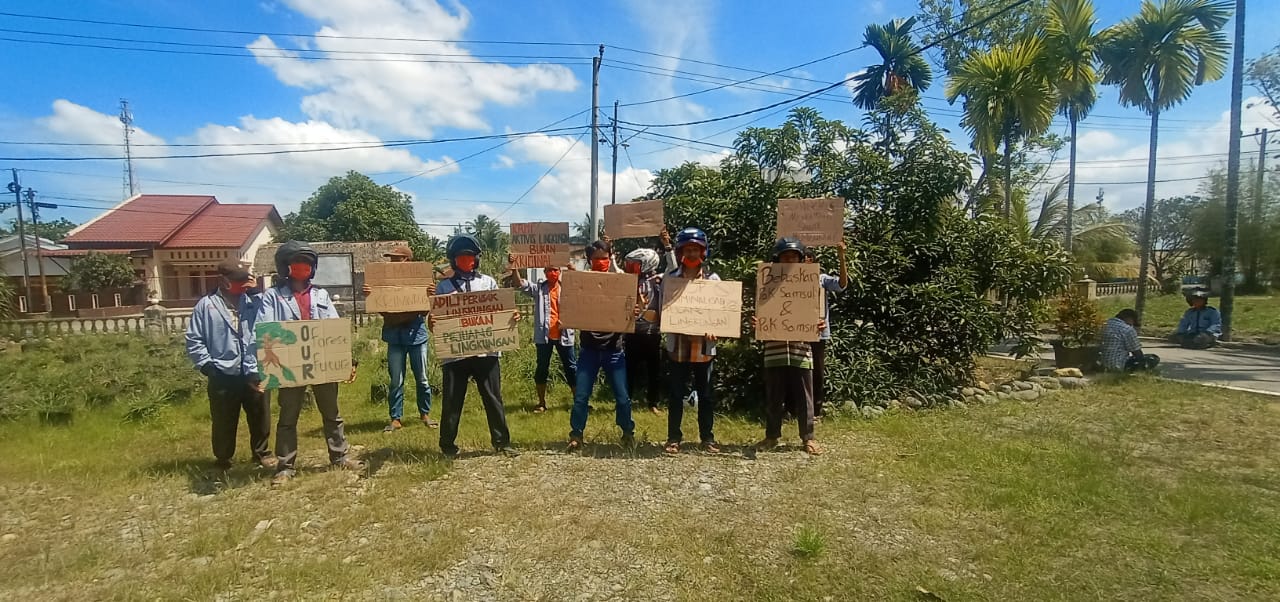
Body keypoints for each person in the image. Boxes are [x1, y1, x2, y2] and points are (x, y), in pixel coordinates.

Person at [258, 241, 364, 484]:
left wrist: (348, 359)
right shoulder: (272, 297)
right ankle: (285, 465)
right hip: (289, 365)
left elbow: (334, 329)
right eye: (297, 263)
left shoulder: (321, 295)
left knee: (332, 413)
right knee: (288, 416)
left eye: (307, 263)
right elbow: (266, 330)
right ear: (286, 267)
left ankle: (340, 456)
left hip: (321, 362)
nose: (303, 267)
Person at [433, 234, 519, 458]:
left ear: (476, 259)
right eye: (461, 256)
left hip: (487, 351)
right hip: (455, 355)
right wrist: (432, 322)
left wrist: (512, 316)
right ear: (453, 259)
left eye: (470, 256)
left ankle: (502, 442)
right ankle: (447, 446)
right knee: (452, 400)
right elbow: (436, 321)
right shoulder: (443, 288)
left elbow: (500, 312)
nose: (466, 260)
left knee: (493, 397)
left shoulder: (488, 282)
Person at [185, 261, 273, 470]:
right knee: (223, 418)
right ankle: (223, 457)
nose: (243, 285)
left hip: (254, 370)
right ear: (224, 282)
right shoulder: (206, 306)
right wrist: (207, 366)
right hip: (222, 372)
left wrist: (255, 293)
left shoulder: (255, 302)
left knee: (260, 415)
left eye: (246, 281)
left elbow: (271, 322)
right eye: (238, 282)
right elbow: (194, 339)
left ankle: (261, 453)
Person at [754, 239, 827, 456]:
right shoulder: (767, 282)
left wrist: (819, 323)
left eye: (794, 257)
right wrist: (758, 323)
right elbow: (761, 312)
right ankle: (771, 436)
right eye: (785, 257)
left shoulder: (810, 283)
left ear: (801, 259)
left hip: (801, 347)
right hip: (774, 347)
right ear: (777, 259)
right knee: (774, 395)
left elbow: (817, 314)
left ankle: (808, 437)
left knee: (805, 395)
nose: (789, 260)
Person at [565, 240, 637, 451]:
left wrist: (631, 313)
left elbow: (630, 307)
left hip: (614, 350)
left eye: (604, 259)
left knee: (622, 397)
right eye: (597, 259)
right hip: (589, 349)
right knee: (581, 396)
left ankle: (627, 433)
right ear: (590, 260)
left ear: (609, 259)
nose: (601, 262)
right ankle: (576, 435)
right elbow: (571, 304)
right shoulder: (582, 282)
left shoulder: (620, 282)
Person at [362, 244, 436, 432]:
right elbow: (380, 307)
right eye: (391, 258)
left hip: (416, 335)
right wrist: (371, 296)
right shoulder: (383, 281)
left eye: (397, 258)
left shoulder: (422, 282)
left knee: (423, 378)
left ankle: (425, 414)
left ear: (407, 261)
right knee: (396, 379)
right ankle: (395, 418)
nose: (392, 261)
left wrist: (428, 296)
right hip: (394, 336)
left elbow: (425, 309)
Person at [663, 227, 723, 455]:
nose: (691, 253)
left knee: (706, 393)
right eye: (687, 249)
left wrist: (715, 329)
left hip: (704, 346)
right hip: (677, 344)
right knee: (676, 394)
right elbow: (663, 308)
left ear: (703, 252)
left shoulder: (713, 279)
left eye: (695, 249)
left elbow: (721, 311)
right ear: (680, 252)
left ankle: (707, 438)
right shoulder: (671, 279)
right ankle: (673, 438)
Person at [510, 261, 576, 413]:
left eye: (555, 270)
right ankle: (541, 403)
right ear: (544, 272)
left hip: (564, 334)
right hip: (544, 336)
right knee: (542, 368)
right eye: (549, 270)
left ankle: (578, 401)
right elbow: (519, 283)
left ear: (559, 271)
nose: (552, 273)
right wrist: (514, 268)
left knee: (571, 368)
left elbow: (582, 287)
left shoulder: (568, 288)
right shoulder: (539, 288)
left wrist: (572, 269)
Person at [623, 230, 678, 415]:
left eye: (634, 265)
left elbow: (674, 270)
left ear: (646, 264)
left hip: (652, 334)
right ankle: (626, 401)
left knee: (654, 372)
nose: (630, 268)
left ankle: (653, 403)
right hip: (632, 333)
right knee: (629, 370)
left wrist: (668, 246)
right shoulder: (627, 281)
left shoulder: (659, 280)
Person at [803, 241, 849, 420]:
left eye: (809, 261)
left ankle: (815, 410)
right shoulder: (792, 279)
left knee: (817, 371)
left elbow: (842, 284)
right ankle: (796, 407)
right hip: (796, 332)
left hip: (819, 333)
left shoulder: (821, 279)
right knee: (798, 371)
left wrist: (841, 257)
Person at [1100, 309, 1161, 373]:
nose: (1132, 325)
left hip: (1102, 363)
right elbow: (1136, 352)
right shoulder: (1127, 329)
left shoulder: (1105, 324)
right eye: (1133, 322)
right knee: (1153, 358)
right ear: (1129, 318)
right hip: (1118, 364)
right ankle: (1138, 373)